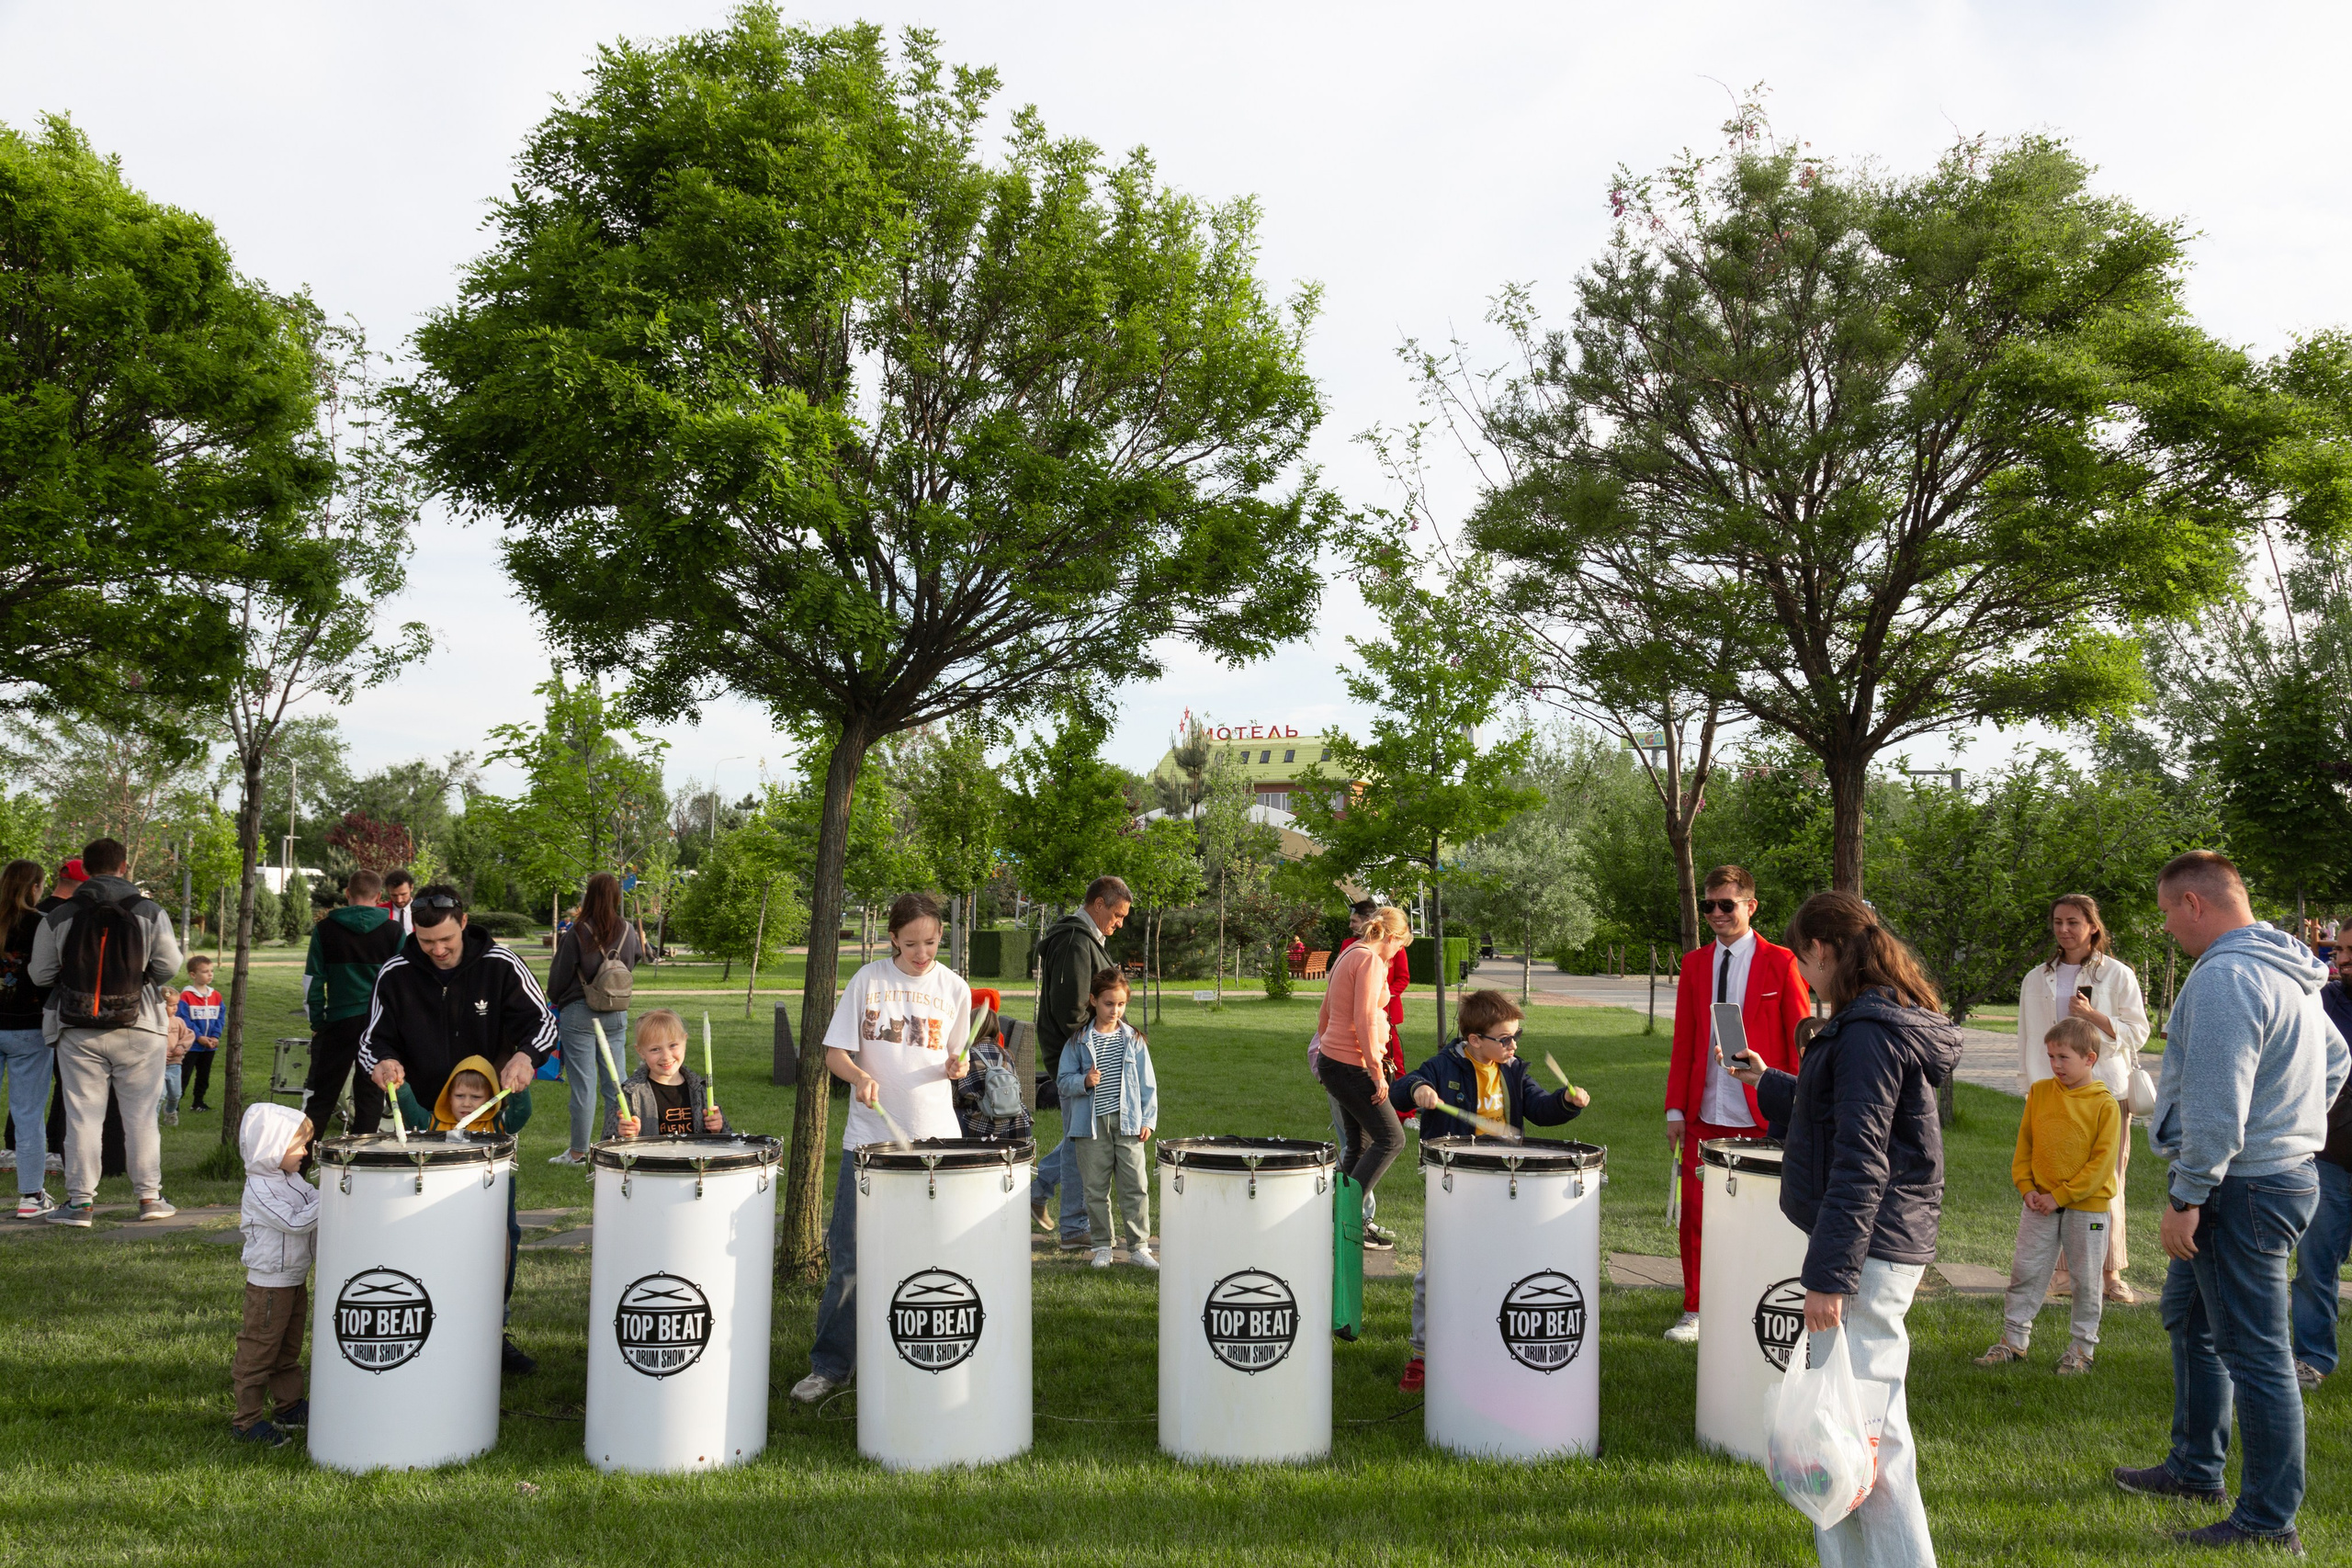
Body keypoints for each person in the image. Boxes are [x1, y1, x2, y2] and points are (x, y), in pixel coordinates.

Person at [2112, 852, 2345, 1552]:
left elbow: (2216, 1107)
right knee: (2187, 1315)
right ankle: (2194, 1467)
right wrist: (2295, 1121)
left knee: (2259, 1355)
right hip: (2272, 1176)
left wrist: (2188, 1194)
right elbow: (2337, 1059)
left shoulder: (2226, 976)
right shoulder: (2291, 969)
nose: (2168, 931)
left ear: (2193, 903)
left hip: (2236, 1189)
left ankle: (2268, 1522)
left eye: (2165, 916)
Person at [1725, 890, 1959, 1568]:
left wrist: (1829, 1277)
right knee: (1840, 1441)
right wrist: (1771, 1082)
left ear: (1823, 951)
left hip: (1867, 1252)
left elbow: (1863, 1159)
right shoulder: (1874, 1022)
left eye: (1804, 960)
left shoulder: (1867, 1031)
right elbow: (1839, 1112)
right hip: (1873, 1247)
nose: (1803, 974)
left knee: (1865, 1446)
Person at [357, 883, 555, 1375]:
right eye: (427, 943)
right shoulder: (396, 973)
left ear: (463, 923)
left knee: (500, 1232)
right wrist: (383, 1062)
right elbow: (371, 1040)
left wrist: (526, 1058)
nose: (438, 951)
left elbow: (544, 1024)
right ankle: (425, 1324)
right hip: (424, 1124)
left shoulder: (501, 963)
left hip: (488, 1127)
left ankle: (492, 1329)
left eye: (446, 940)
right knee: (419, 1229)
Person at [792, 892, 971, 1404]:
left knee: (933, 1256)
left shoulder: (954, 989)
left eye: (932, 943)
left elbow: (955, 1058)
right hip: (868, 1145)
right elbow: (834, 1054)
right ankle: (830, 1367)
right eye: (911, 943)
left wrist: (958, 1067)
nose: (922, 953)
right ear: (892, 937)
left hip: (936, 1143)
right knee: (849, 1258)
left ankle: (922, 1355)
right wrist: (859, 1074)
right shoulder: (867, 981)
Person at [1391, 988, 1589, 1392]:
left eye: (1515, 1036)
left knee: (1502, 1265)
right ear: (1474, 1040)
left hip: (1505, 1179)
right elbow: (1403, 1086)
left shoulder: (1512, 1070)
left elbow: (1539, 1108)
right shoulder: (1445, 1065)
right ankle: (1423, 1355)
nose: (1512, 1045)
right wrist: (1417, 1091)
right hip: (1453, 1180)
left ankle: (1486, 1342)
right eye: (1504, 1038)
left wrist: (1568, 1102)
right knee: (1438, 1270)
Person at [1661, 864, 1812, 1342]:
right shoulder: (1694, 964)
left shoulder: (1783, 962)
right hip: (1704, 1112)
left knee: (1767, 1216)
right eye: (1709, 905)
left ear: (1752, 906)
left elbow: (1801, 1044)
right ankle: (1695, 1310)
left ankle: (1761, 1304)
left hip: (1764, 1111)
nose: (1717, 914)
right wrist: (1675, 1110)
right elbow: (1684, 1041)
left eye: (1727, 904)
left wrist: (1799, 1107)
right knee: (1697, 1217)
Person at [30, 837, 186, 1227]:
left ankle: (80, 1204)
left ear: (85, 866)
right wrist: (141, 977)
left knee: (82, 1116)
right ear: (124, 866)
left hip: (78, 1026)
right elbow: (169, 965)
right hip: (141, 1023)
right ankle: (150, 1198)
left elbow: (39, 974)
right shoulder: (149, 910)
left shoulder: (61, 915)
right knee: (141, 1117)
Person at [2017, 894, 2150, 1303]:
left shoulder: (2118, 975)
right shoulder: (2037, 978)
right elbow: (2026, 1039)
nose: (2064, 930)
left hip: (2105, 1092)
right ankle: (2063, 1273)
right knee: (2053, 1175)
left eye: (2073, 922)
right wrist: (2030, 1090)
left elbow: (2138, 1032)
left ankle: (2110, 1275)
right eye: (2058, 921)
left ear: (2093, 926)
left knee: (2106, 1183)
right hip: (2051, 1093)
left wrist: (2093, 1017)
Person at [1975, 1016, 2122, 1374]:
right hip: (2039, 1204)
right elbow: (2025, 1144)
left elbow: (2102, 1165)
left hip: (2086, 1209)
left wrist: (2061, 1196)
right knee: (2025, 1270)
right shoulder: (2040, 1093)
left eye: (2063, 1057)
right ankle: (2014, 1341)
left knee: (2086, 1280)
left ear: (2089, 1059)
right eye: (2051, 1056)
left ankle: (2081, 1350)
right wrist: (2027, 1187)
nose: (2055, 1065)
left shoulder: (2106, 1105)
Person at [1029, 876, 1130, 1248]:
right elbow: (1070, 1011)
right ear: (1099, 904)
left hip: (1079, 1055)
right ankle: (1073, 1229)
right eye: (1117, 915)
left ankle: (1036, 1191)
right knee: (1083, 1137)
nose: (1120, 923)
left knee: (1078, 1135)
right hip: (1077, 1058)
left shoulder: (1083, 939)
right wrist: (1095, 1052)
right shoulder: (1075, 941)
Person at [397, 1052, 536, 1311]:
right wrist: (400, 1088)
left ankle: (499, 1308)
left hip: (493, 1206)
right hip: (443, 1209)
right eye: (459, 1096)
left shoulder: (500, 1125)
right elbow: (410, 1110)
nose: (467, 1104)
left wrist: (518, 1090)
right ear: (447, 1096)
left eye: (476, 1097)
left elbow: (523, 1111)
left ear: (492, 1096)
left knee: (503, 1248)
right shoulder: (433, 1123)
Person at [1315, 905, 1413, 1235]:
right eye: (1399, 946)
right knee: (1391, 1138)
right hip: (1351, 1065)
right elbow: (1365, 1018)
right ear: (1390, 936)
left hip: (1335, 1061)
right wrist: (1375, 1071)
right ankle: (1345, 1216)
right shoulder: (1369, 959)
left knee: (1360, 1142)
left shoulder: (1350, 952)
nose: (1398, 952)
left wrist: (1325, 1048)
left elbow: (1324, 1011)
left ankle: (1332, 1217)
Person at [1057, 968, 1159, 1269]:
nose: (1115, 1011)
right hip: (1090, 1128)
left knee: (1135, 1186)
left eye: (1121, 1004)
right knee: (1095, 1189)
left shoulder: (1134, 1040)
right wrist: (1084, 1082)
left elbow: (1147, 1083)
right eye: (1108, 1004)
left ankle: (1139, 1247)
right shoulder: (1077, 1042)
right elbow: (1063, 1080)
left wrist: (1148, 1120)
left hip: (1128, 1124)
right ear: (1093, 1001)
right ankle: (1102, 1245)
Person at [232, 1101, 317, 1446]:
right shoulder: (259, 1190)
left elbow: (314, 1197)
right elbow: (295, 1222)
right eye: (299, 1145)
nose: (305, 1152)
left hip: (295, 1280)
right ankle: (246, 1421)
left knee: (287, 1348)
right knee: (259, 1350)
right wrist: (334, 1198)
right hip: (269, 1286)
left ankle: (289, 1406)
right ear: (272, 1147)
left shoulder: (291, 1180)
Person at [545, 872, 645, 1166]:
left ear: (589, 895)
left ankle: (578, 1152)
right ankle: (618, 1144)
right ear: (616, 897)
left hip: (580, 1013)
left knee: (584, 1087)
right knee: (617, 1083)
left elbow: (558, 978)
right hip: (616, 1012)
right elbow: (633, 961)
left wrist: (557, 998)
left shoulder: (578, 932)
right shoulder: (627, 929)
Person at [300, 870, 401, 1143]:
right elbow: (402, 982)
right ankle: (360, 1164)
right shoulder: (394, 931)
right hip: (377, 1025)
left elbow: (312, 980)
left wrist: (318, 1022)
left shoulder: (325, 929)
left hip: (338, 1022)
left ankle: (301, 1164)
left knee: (321, 1098)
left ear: (347, 893)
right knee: (370, 1098)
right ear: (379, 897)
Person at [2292, 946, 2351, 1390]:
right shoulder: (2325, 1001)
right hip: (2330, 1159)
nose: (2342, 959)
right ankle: (2312, 1358)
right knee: (2316, 1267)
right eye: (2342, 950)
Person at [0, 859, 56, 1217]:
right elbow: (47, 974)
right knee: (28, 1113)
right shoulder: (40, 924)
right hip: (28, 1027)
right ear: (35, 887)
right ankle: (31, 1196)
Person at [605, 1009, 727, 1139]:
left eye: (673, 1045)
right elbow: (607, 1144)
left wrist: (718, 1129)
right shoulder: (630, 1094)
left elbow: (728, 1140)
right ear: (641, 1052)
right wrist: (624, 1136)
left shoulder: (700, 1089)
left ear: (684, 1041)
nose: (666, 1056)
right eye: (655, 1049)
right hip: (651, 1159)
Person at [173, 954, 225, 1114]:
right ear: (193, 975)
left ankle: (198, 1102)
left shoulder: (216, 996)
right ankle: (174, 1104)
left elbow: (221, 1017)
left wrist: (215, 1036)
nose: (210, 974)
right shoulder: (186, 996)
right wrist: (199, 1037)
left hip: (210, 1046)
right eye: (205, 971)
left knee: (204, 1076)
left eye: (211, 971)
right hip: (191, 1045)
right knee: (184, 1075)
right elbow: (184, 1019)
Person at [380, 869, 415, 937]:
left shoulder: (423, 910)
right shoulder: (380, 911)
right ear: (388, 891)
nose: (399, 900)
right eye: (394, 895)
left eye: (403, 894)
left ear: (411, 888)